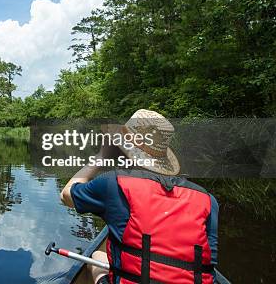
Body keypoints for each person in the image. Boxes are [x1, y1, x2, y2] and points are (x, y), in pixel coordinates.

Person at [60, 109, 218, 284]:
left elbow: (66, 195)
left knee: (98, 256)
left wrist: (102, 156)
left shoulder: (114, 183)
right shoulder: (207, 200)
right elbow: (209, 262)